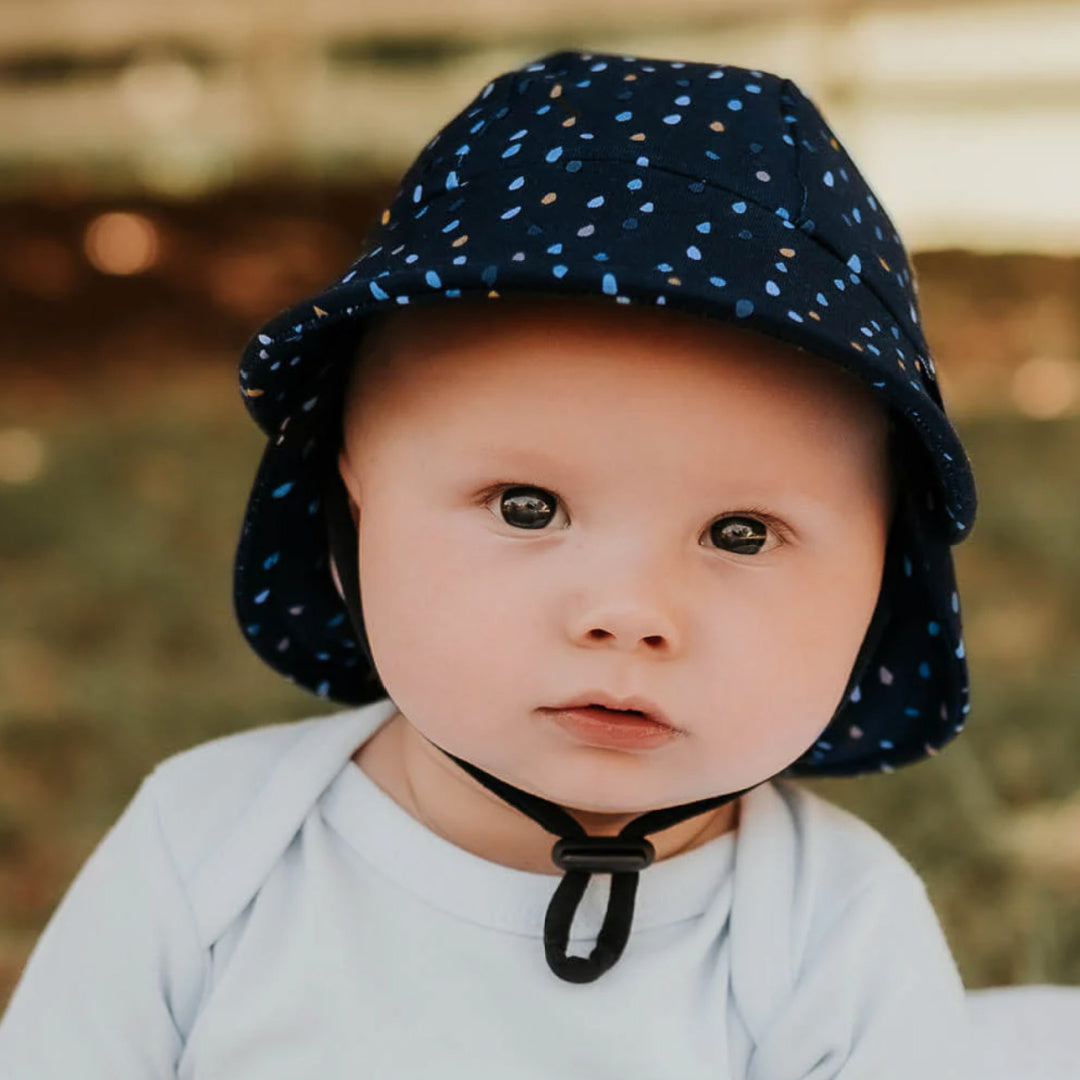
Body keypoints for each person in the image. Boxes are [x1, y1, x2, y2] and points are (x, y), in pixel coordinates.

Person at [0, 48, 980, 1077]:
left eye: (741, 533)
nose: (628, 613)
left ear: (881, 582)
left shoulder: (836, 934)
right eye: (527, 507)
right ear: (349, 524)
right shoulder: (209, 852)